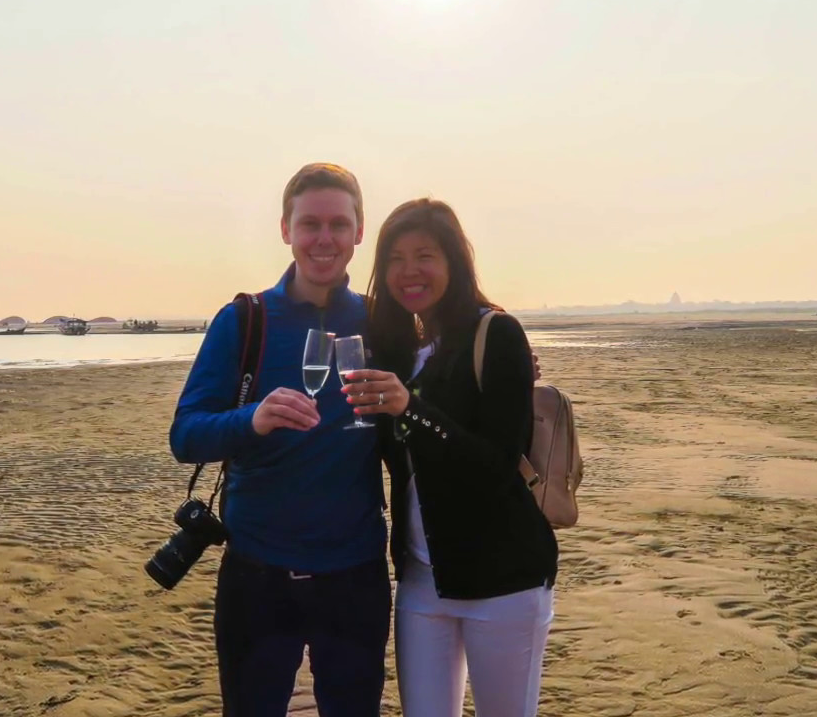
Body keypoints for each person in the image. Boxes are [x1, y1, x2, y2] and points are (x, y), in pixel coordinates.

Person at [169, 163, 390, 717]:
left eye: (339, 225)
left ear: (359, 232)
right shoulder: (245, 319)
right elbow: (186, 435)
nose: (324, 238)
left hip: (355, 572)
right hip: (258, 575)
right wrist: (251, 420)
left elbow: (439, 375)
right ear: (285, 229)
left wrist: (508, 358)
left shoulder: (382, 322)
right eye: (309, 223)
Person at [343, 198, 559, 717]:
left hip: (502, 579)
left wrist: (410, 410)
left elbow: (494, 463)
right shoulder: (397, 349)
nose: (409, 271)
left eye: (425, 255)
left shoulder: (496, 334)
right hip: (422, 581)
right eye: (394, 259)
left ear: (454, 262)